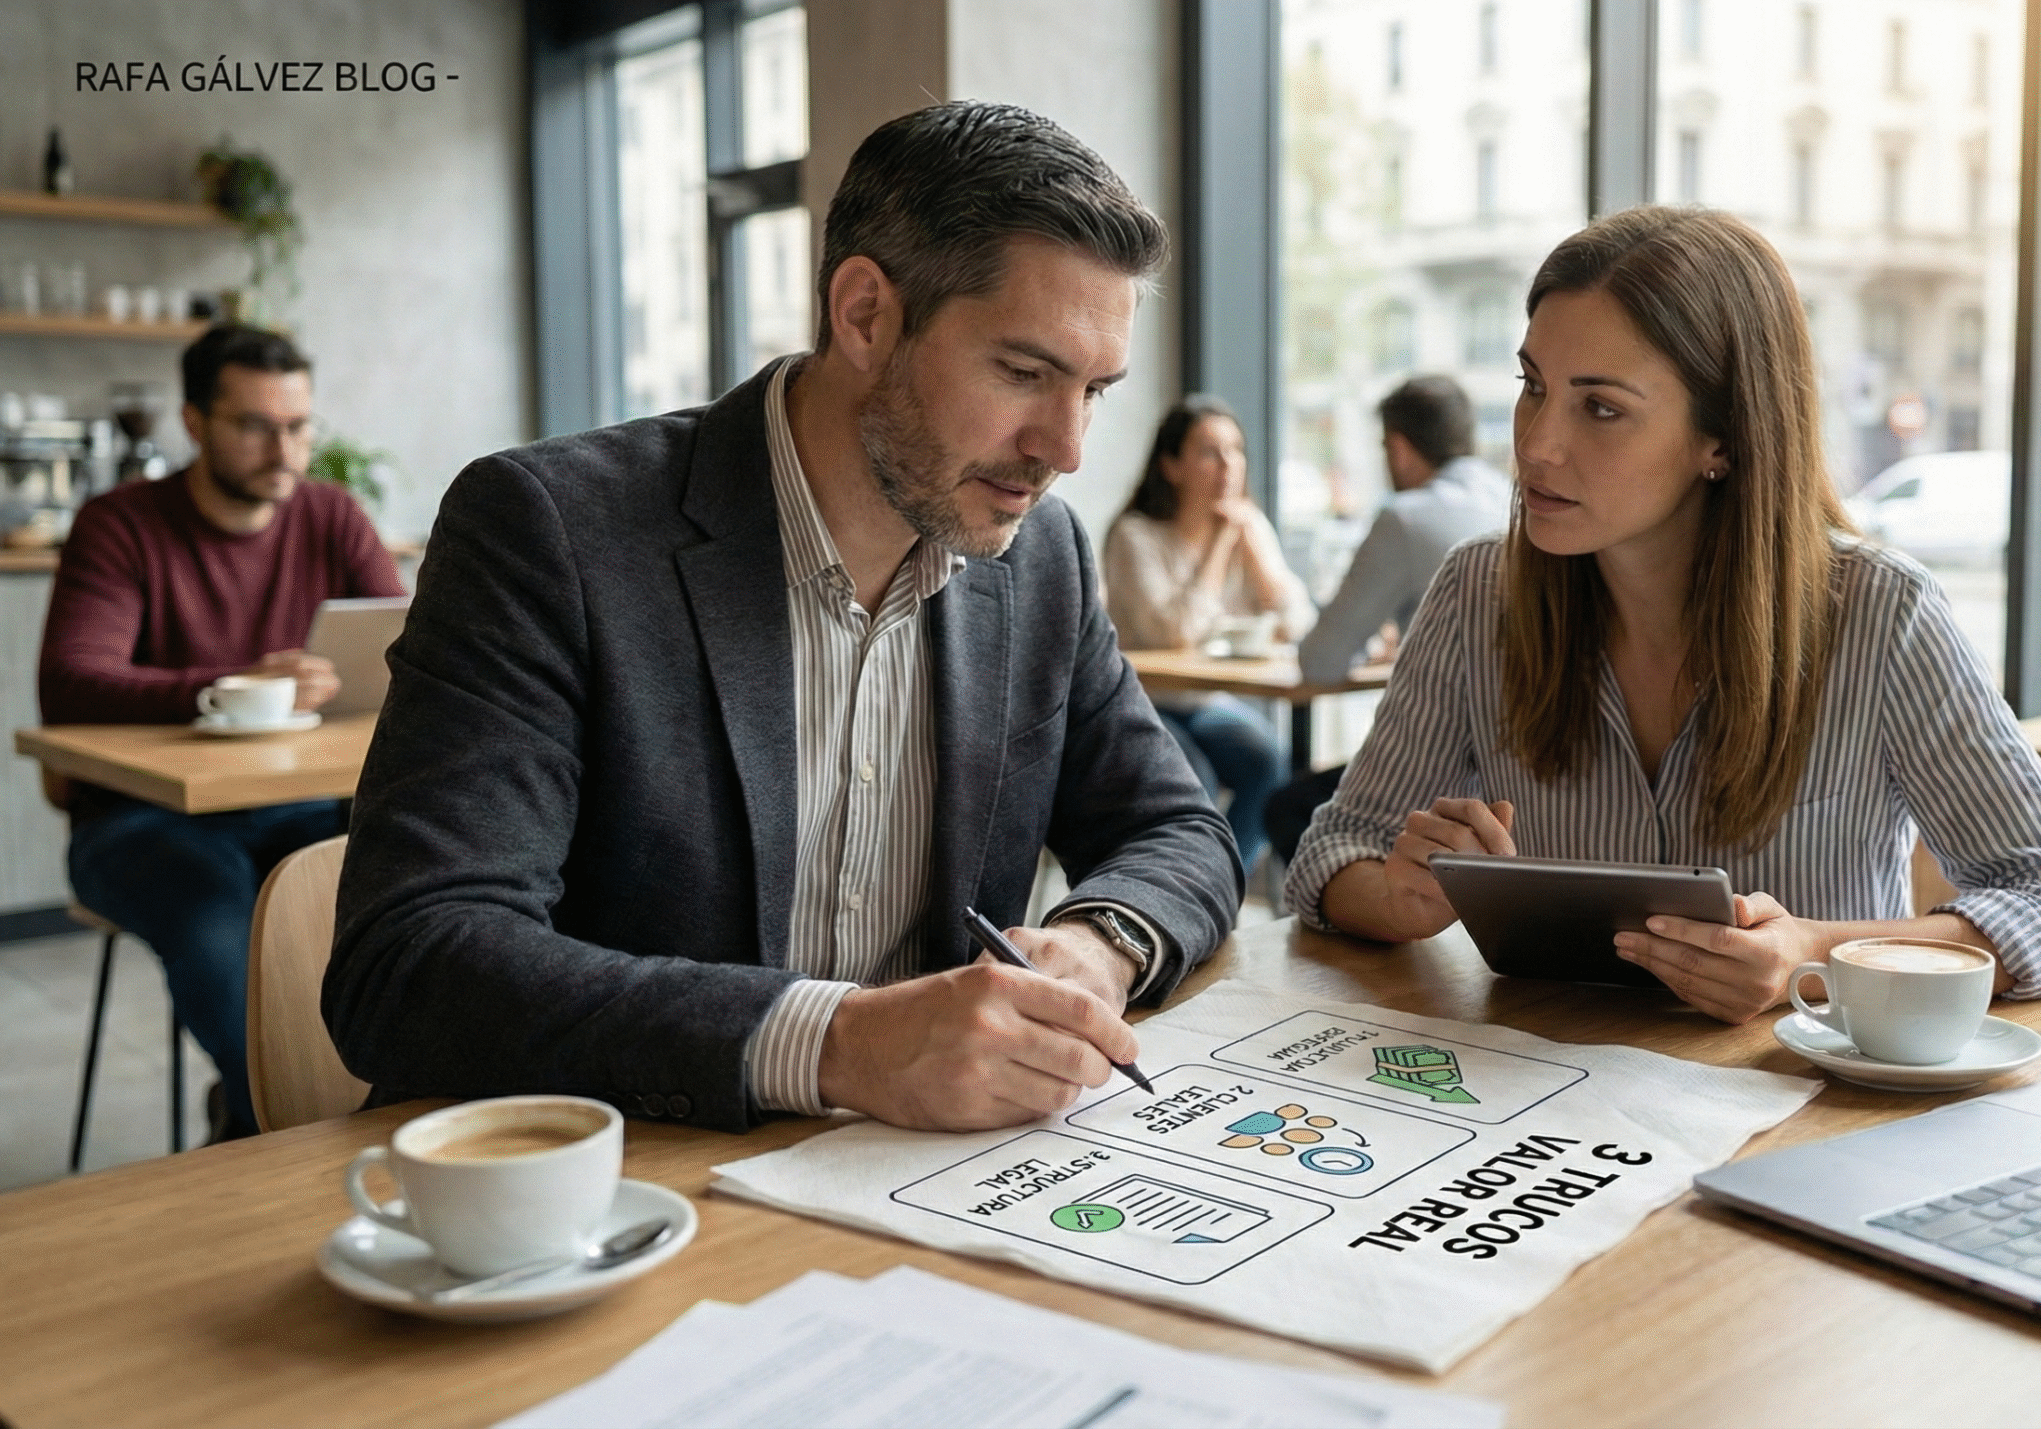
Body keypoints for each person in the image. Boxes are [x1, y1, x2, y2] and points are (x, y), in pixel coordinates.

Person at [327, 102, 1240, 1135]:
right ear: (865, 315)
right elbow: (410, 959)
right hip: (615, 1172)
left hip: (907, 1176)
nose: (1065, 449)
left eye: (1095, 391)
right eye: (1024, 373)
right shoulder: (550, 531)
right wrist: (837, 1043)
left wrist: (1098, 943)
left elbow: (1177, 828)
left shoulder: (1041, 561)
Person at [1285, 207, 2041, 1019]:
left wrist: (1814, 953)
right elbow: (1332, 851)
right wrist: (1396, 897)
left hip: (1794, 1097)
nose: (1537, 443)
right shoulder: (1479, 593)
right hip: (1542, 1086)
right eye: (1532, 387)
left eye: (1601, 407)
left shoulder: (1881, 613)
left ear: (1721, 438)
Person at [40, 323, 403, 1139]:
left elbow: (404, 644)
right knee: (216, 931)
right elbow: (70, 681)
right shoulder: (121, 524)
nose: (284, 450)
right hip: (143, 820)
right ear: (195, 422)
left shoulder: (331, 515)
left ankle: (263, 1127)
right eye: (256, 426)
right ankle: (295, 1142)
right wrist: (239, 686)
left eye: (299, 426)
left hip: (308, 806)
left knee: (411, 907)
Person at [1267, 377, 1511, 863]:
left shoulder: (1407, 518)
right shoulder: (1514, 499)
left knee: (1288, 809)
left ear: (1398, 449)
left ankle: (1365, 907)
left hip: (1450, 779)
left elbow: (1320, 663)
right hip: (1519, 780)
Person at [1103, 396, 1313, 877]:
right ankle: (1194, 889)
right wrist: (1220, 545)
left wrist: (1255, 556)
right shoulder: (1135, 536)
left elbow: (1299, 624)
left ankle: (1217, 885)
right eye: (1209, 452)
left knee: (1268, 765)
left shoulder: (1247, 527)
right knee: (1193, 779)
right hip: (1142, 701)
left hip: (1206, 701)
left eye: (1235, 451)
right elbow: (1175, 634)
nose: (1228, 466)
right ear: (1171, 466)